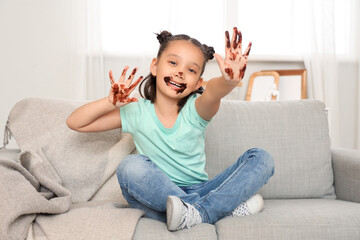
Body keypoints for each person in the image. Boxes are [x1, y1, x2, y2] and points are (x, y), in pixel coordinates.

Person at [66, 27, 274, 231]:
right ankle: (215, 210)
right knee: (129, 166)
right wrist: (109, 102)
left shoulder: (197, 110)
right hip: (159, 196)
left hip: (200, 189)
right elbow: (75, 122)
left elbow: (212, 92)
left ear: (196, 83)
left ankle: (195, 214)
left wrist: (229, 81)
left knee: (261, 157)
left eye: (191, 70)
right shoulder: (135, 111)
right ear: (155, 67)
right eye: (173, 62)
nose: (180, 72)